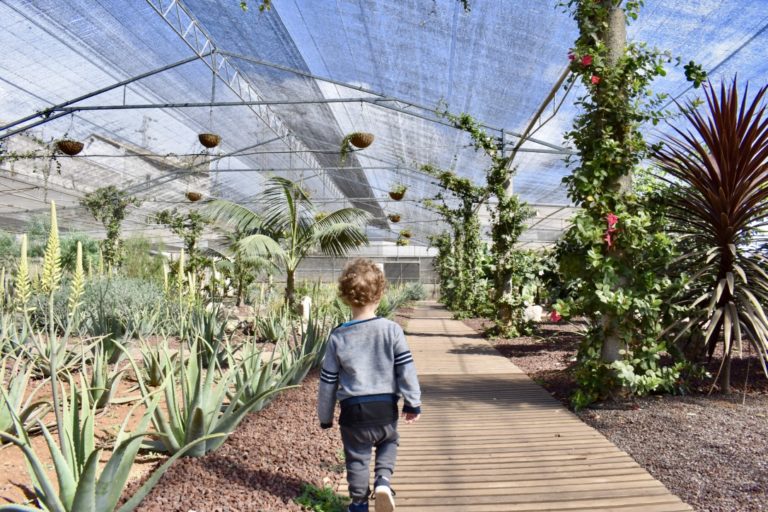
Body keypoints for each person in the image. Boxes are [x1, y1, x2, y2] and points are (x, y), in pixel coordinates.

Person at [317, 259, 422, 512]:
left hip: (353, 412)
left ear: (345, 296)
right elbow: (405, 368)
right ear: (380, 294)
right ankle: (384, 482)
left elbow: (328, 381)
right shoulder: (391, 330)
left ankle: (359, 503)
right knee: (389, 442)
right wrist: (412, 402)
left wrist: (325, 416)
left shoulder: (338, 335)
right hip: (385, 408)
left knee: (357, 457)